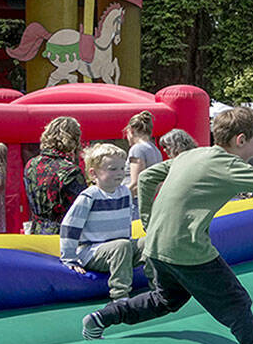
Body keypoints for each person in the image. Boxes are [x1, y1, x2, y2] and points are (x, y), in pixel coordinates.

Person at [80, 108, 253, 344]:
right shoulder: (230, 165)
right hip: (187, 248)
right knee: (237, 302)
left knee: (165, 300)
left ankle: (103, 317)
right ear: (240, 140)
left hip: (155, 245)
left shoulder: (193, 155)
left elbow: (146, 178)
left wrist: (148, 221)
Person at [59, 144, 146, 300]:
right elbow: (69, 226)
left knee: (149, 242)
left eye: (122, 168)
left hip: (120, 249)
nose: (119, 173)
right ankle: (120, 295)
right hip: (92, 252)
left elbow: (126, 225)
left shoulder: (125, 192)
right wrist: (70, 258)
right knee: (121, 245)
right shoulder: (89, 196)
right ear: (94, 174)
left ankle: (158, 286)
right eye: (113, 169)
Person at [24, 116, 86, 235]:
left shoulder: (31, 164)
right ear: (74, 139)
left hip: (36, 231)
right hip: (63, 234)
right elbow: (81, 209)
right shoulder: (70, 171)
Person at [123, 111, 163, 203]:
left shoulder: (137, 149)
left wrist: (119, 199)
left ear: (131, 131)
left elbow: (136, 182)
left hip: (135, 200)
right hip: (150, 198)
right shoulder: (155, 149)